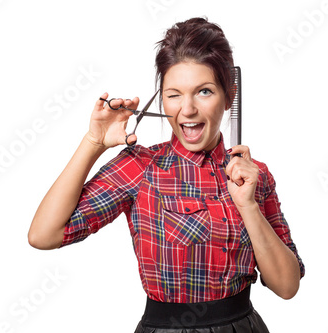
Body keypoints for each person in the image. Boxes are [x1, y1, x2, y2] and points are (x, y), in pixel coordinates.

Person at [28, 17, 305, 332]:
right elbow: (43, 235)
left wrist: (248, 205)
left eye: (203, 91)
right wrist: (93, 143)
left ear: (229, 95)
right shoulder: (140, 167)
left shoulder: (255, 176)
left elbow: (286, 286)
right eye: (174, 94)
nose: (187, 109)